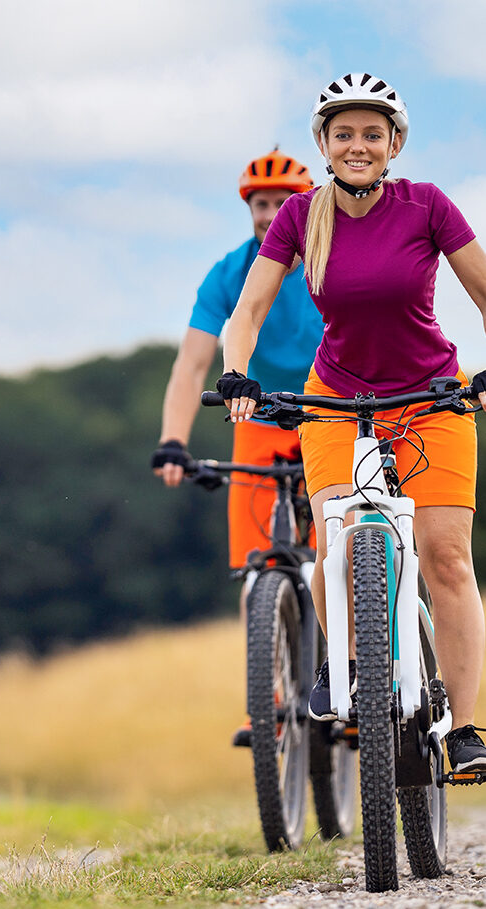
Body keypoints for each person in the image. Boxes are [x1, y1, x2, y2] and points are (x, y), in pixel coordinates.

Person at [217, 72, 486, 772]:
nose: (357, 145)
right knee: (334, 537)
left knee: (446, 559)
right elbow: (244, 313)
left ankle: (463, 726)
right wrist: (236, 373)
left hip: (432, 399)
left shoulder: (426, 206)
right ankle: (343, 670)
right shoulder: (299, 216)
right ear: (324, 144)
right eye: (343, 134)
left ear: (393, 143)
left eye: (371, 133)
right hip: (336, 397)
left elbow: (484, 290)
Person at [151, 149, 321, 747]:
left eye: (283, 203)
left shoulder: (330, 260)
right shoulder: (229, 273)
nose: (272, 213)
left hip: (332, 412)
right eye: (261, 205)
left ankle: (357, 681)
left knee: (345, 553)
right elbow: (192, 365)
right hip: (258, 418)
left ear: (306, 205)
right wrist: (174, 441)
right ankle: (267, 702)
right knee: (256, 568)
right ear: (249, 211)